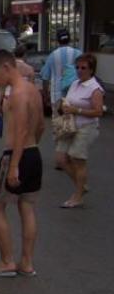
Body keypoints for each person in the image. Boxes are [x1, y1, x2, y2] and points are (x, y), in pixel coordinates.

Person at [0, 50, 45, 278]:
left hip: (15, 155)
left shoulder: (17, 94)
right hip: (33, 153)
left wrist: (15, 165)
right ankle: (26, 262)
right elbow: (40, 127)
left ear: (7, 67)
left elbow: (20, 132)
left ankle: (7, 261)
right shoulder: (32, 90)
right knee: (27, 207)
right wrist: (31, 149)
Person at [56, 53, 104, 208]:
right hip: (69, 126)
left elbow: (98, 112)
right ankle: (81, 185)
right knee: (61, 159)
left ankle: (78, 196)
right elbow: (68, 102)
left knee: (77, 158)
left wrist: (76, 110)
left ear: (91, 70)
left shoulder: (95, 89)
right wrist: (63, 107)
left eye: (83, 68)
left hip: (86, 127)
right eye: (77, 67)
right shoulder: (75, 83)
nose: (79, 70)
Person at [40, 29, 82, 169]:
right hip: (76, 96)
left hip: (57, 96)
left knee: (59, 126)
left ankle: (60, 159)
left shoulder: (53, 55)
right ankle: (71, 156)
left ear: (57, 41)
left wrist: (45, 95)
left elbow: (45, 77)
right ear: (69, 39)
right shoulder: (78, 54)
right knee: (74, 125)